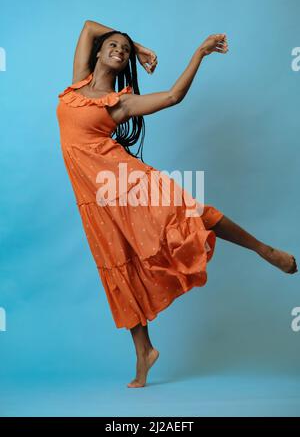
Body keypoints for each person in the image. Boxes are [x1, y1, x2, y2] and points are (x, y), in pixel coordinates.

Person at [56, 20, 298, 388]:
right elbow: (90, 27)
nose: (118, 50)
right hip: (93, 197)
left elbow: (171, 96)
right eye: (114, 45)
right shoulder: (77, 81)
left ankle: (265, 250)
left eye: (123, 50)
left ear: (123, 66)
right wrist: (138, 45)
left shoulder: (120, 103)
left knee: (191, 213)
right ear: (100, 51)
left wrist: (199, 54)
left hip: (124, 180)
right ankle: (144, 353)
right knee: (117, 265)